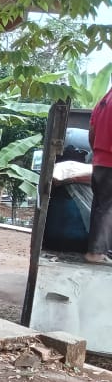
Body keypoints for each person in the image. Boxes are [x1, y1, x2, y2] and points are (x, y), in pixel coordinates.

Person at [86, 85, 112, 265]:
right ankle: (96, 253)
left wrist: (97, 152)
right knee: (107, 207)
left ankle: (96, 250)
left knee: (100, 206)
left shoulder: (104, 99)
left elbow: (92, 131)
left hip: (100, 160)